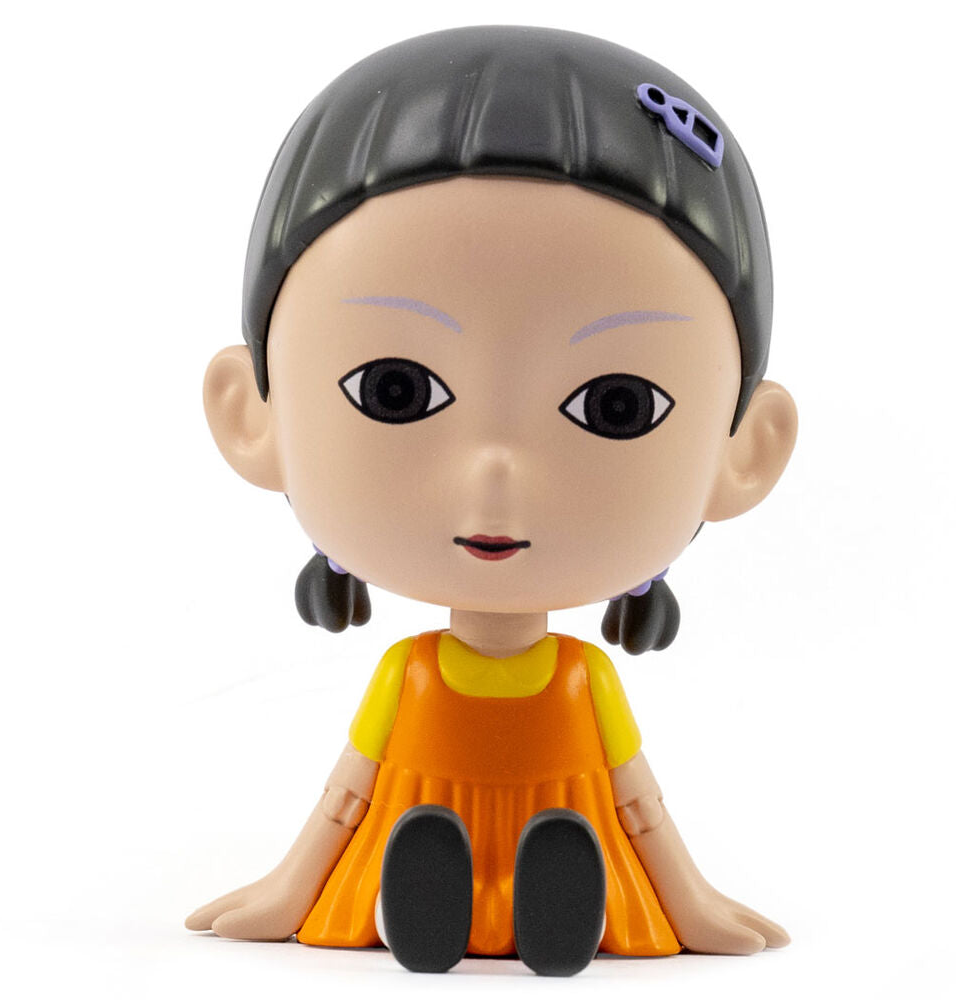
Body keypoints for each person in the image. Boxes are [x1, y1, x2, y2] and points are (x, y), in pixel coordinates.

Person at [186, 25, 798, 976]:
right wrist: (286, 892)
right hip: (416, 833)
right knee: (418, 843)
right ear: (251, 414)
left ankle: (544, 891)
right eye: (395, 389)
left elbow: (638, 807)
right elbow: (348, 800)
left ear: (744, 450)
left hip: (569, 837)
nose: (495, 476)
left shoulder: (583, 683)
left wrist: (695, 904)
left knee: (567, 844)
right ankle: (436, 890)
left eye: (618, 405)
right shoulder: (412, 676)